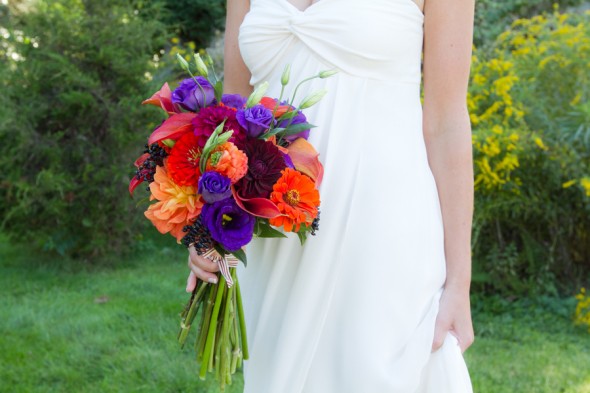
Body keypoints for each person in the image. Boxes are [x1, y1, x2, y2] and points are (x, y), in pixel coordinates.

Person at [187, 0, 475, 391]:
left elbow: (446, 122)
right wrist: (211, 230)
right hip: (278, 237)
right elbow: (235, 109)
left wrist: (460, 282)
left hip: (384, 229)